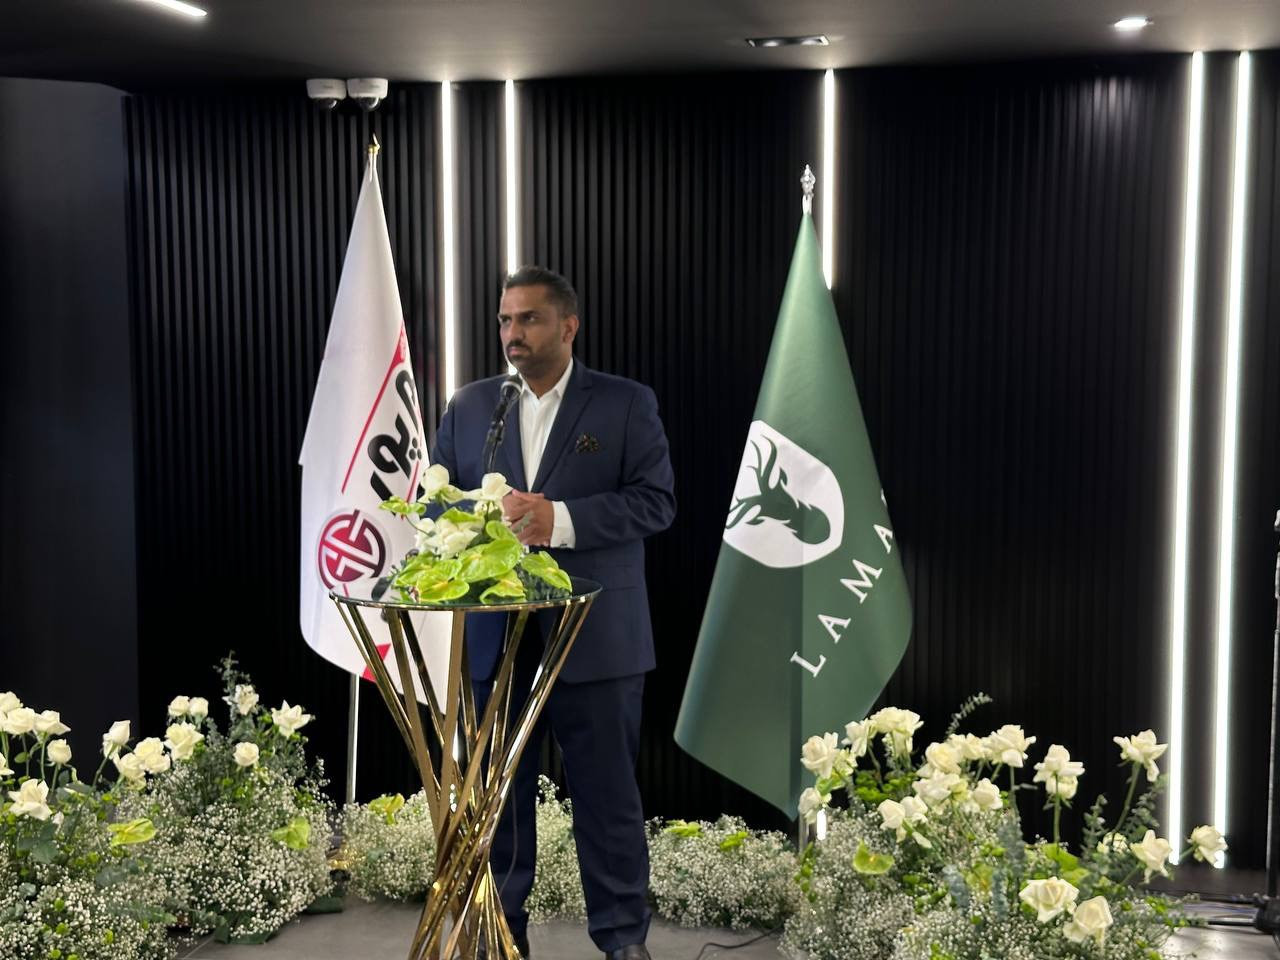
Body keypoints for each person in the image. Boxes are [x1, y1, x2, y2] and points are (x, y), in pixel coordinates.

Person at [429, 265, 676, 960]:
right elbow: (435, 503)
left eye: (529, 319)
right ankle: (501, 936)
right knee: (498, 802)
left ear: (569, 326)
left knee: (607, 799)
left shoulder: (625, 404)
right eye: (505, 320)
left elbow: (656, 502)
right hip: (495, 637)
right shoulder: (472, 406)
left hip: (596, 639)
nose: (513, 333)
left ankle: (622, 940)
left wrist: (557, 520)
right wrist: (478, 516)